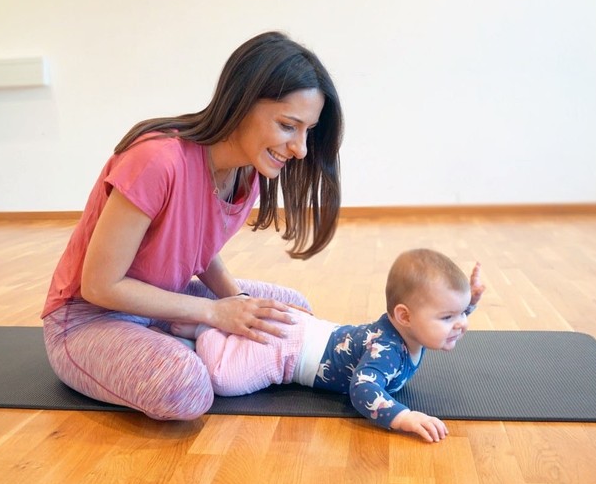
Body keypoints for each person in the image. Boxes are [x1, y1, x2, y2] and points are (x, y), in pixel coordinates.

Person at [41, 31, 343, 421]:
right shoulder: (157, 159)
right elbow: (99, 285)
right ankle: (193, 345)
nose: (300, 148)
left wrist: (233, 300)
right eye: (288, 125)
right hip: (88, 319)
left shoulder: (248, 171)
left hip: (162, 299)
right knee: (185, 388)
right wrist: (214, 314)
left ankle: (192, 339)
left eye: (308, 131)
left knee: (292, 311)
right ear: (242, 103)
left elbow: (195, 243)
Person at [169, 249, 485, 442]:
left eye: (460, 315)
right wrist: (403, 417)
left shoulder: (412, 328)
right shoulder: (387, 351)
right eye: (449, 318)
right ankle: (206, 329)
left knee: (239, 355)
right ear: (404, 316)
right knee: (223, 378)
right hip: (287, 349)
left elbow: (436, 320)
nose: (461, 325)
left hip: (302, 330)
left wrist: (465, 304)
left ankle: (221, 329)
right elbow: (363, 390)